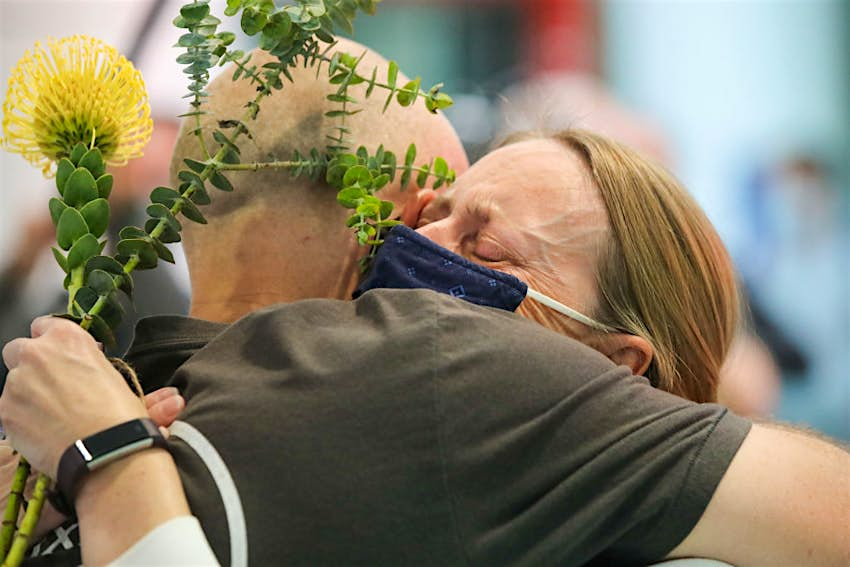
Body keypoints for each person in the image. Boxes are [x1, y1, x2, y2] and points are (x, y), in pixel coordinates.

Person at [2, 42, 849, 567]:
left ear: (619, 367)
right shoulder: (410, 371)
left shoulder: (449, 364)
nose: (410, 259)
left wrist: (108, 458)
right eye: (426, 216)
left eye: (478, 243)